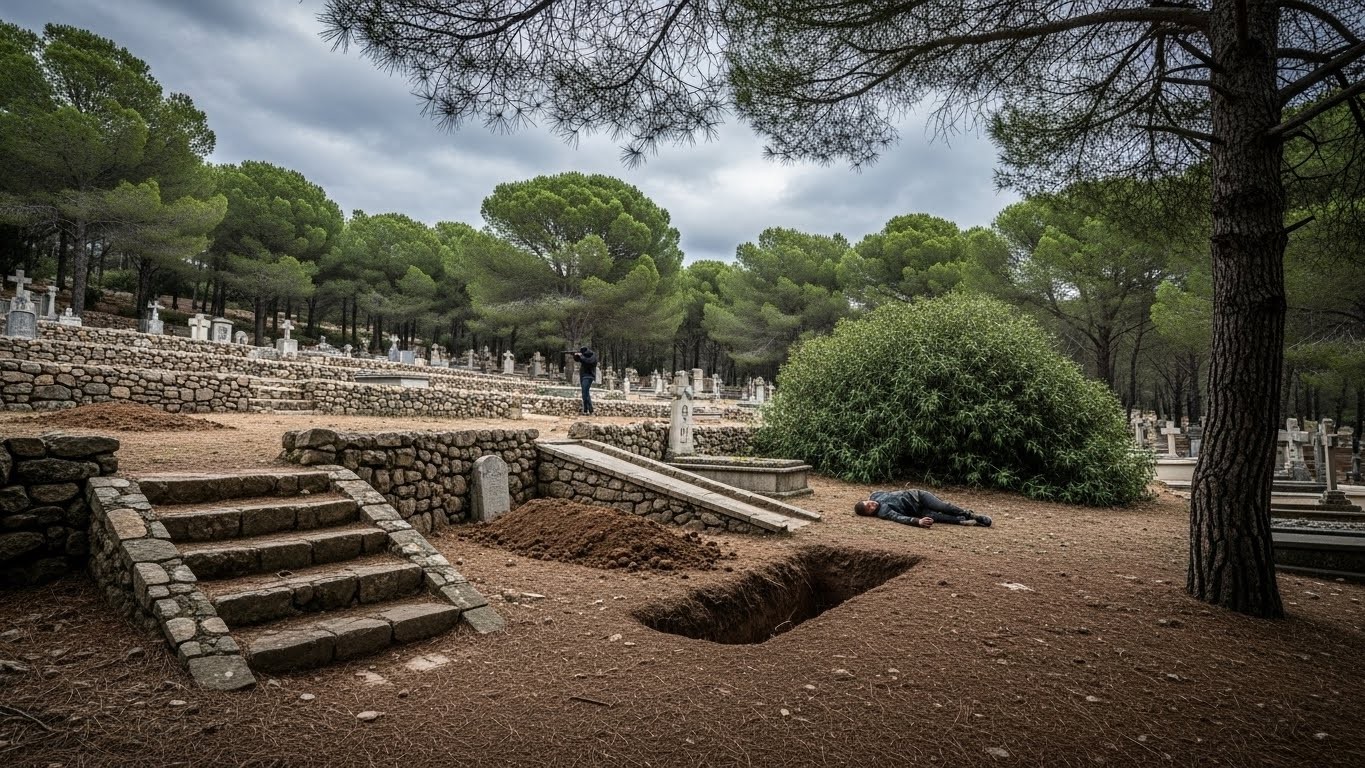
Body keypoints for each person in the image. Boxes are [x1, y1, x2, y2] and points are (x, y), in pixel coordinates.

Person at [853, 489, 992, 529]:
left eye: (869, 503)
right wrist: (917, 522)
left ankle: (971, 515)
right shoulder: (884, 512)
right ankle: (969, 522)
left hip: (919, 496)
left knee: (944, 507)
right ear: (870, 514)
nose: (872, 504)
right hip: (918, 512)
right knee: (939, 518)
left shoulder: (875, 494)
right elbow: (899, 518)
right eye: (869, 508)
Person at [571, 346, 598, 415]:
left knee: (585, 392)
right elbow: (578, 360)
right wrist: (575, 356)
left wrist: (581, 356)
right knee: (585, 393)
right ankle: (586, 410)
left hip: (589, 376)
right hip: (583, 376)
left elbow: (588, 361)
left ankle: (589, 410)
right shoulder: (584, 356)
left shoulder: (592, 356)